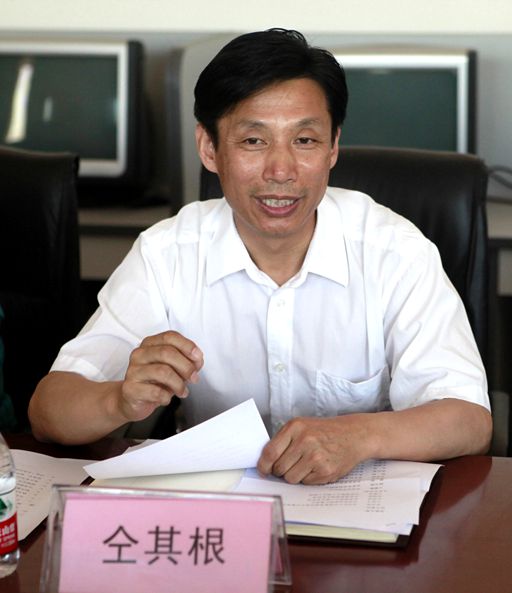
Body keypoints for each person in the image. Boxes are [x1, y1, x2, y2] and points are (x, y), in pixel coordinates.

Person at [28, 29, 492, 485]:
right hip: (216, 509)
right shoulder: (167, 253)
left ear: (333, 147)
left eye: (305, 141)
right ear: (209, 148)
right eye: (254, 141)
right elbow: (50, 410)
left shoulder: (395, 252)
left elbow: (469, 419)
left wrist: (358, 436)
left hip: (361, 508)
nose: (281, 171)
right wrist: (118, 401)